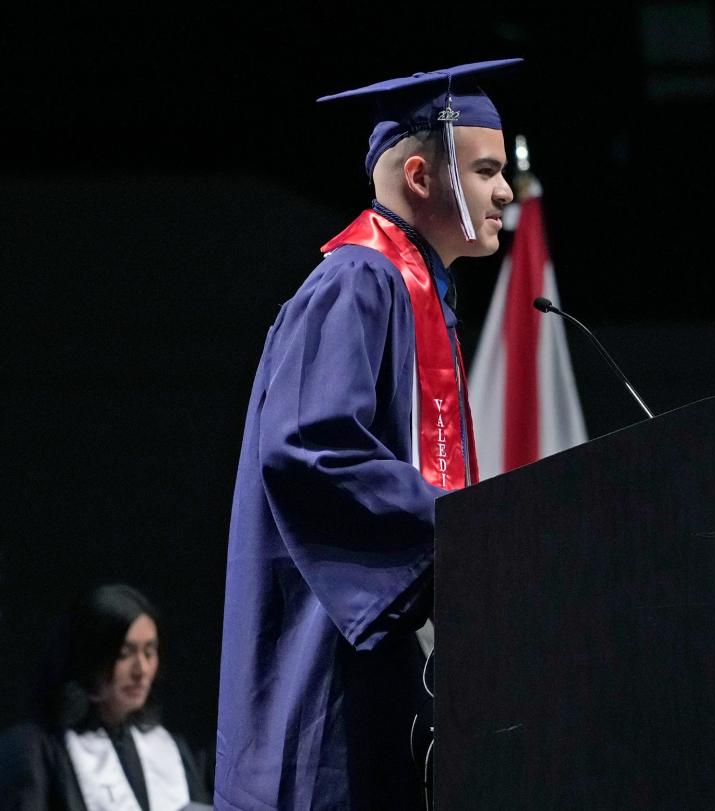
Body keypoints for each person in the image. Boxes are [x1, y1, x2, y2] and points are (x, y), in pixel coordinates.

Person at [215, 59, 520, 811]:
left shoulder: (420, 298)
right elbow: (309, 447)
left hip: (374, 679)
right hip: (324, 681)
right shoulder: (357, 283)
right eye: (486, 170)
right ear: (421, 176)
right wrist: (463, 528)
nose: (506, 192)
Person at [0, 584, 210, 811]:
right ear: (88, 658)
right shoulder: (36, 752)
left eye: (149, 652)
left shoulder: (170, 749)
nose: (141, 670)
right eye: (124, 654)